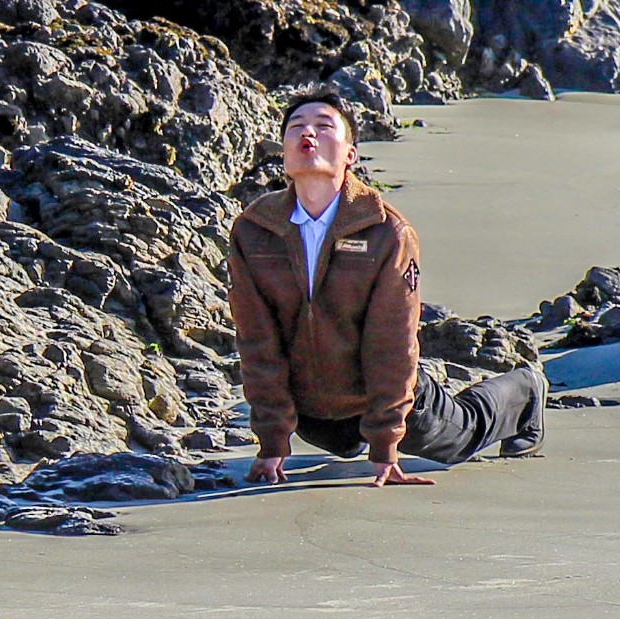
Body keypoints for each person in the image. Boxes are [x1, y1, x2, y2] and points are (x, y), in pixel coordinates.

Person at [226, 90, 547, 488]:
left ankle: (525, 391)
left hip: (385, 394)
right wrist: (271, 442)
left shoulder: (386, 232)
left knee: (458, 439)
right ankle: (351, 440)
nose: (308, 133)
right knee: (341, 443)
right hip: (314, 409)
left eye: (324, 126)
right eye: (296, 127)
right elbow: (257, 342)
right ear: (285, 152)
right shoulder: (254, 231)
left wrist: (385, 443)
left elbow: (392, 342)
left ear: (350, 154)